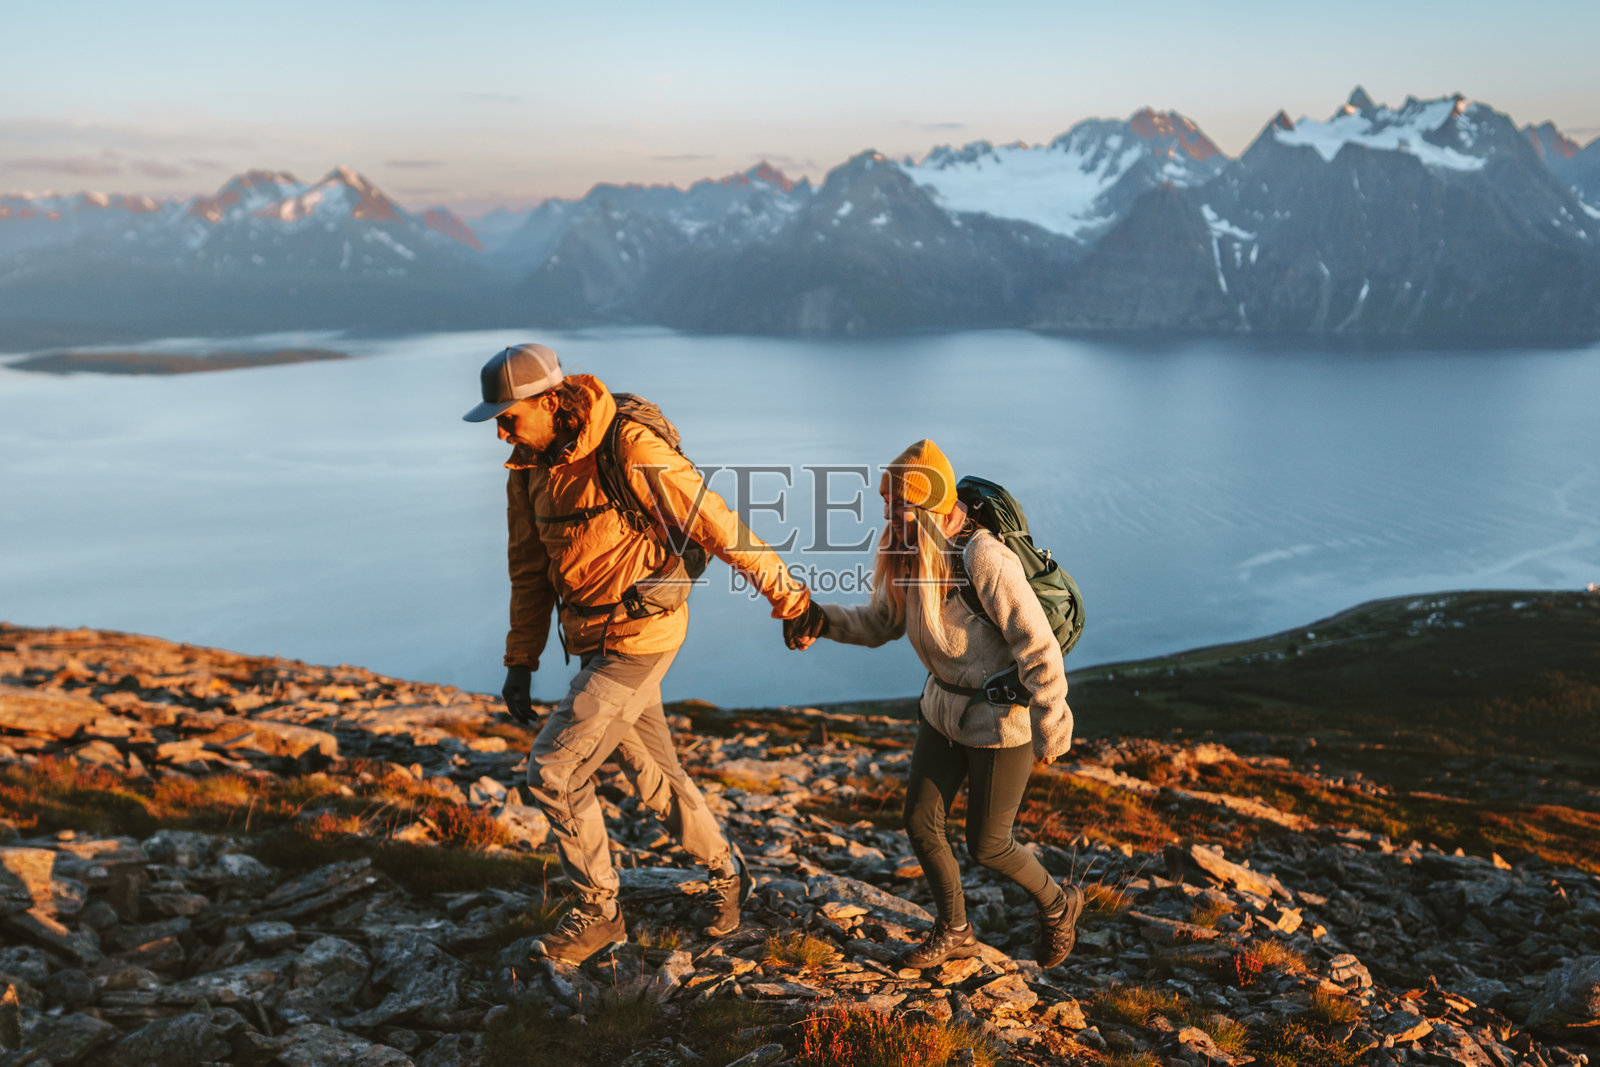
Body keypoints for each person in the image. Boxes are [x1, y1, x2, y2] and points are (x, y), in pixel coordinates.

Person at [464, 342, 826, 966]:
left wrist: (792, 601)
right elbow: (528, 568)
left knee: (554, 771)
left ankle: (599, 913)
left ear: (548, 401)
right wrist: (521, 660)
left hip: (639, 637)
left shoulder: (627, 447)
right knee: (653, 774)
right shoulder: (527, 467)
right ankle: (727, 873)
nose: (500, 432)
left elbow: (717, 524)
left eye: (507, 417)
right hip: (591, 641)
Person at [783, 438, 1083, 968]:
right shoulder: (910, 548)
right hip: (941, 712)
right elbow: (881, 622)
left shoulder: (984, 558)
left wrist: (1052, 727)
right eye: (885, 503)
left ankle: (1060, 906)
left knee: (988, 845)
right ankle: (955, 928)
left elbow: (1038, 647)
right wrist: (820, 619)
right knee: (921, 822)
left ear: (928, 506)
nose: (886, 516)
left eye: (897, 506)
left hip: (1000, 725)